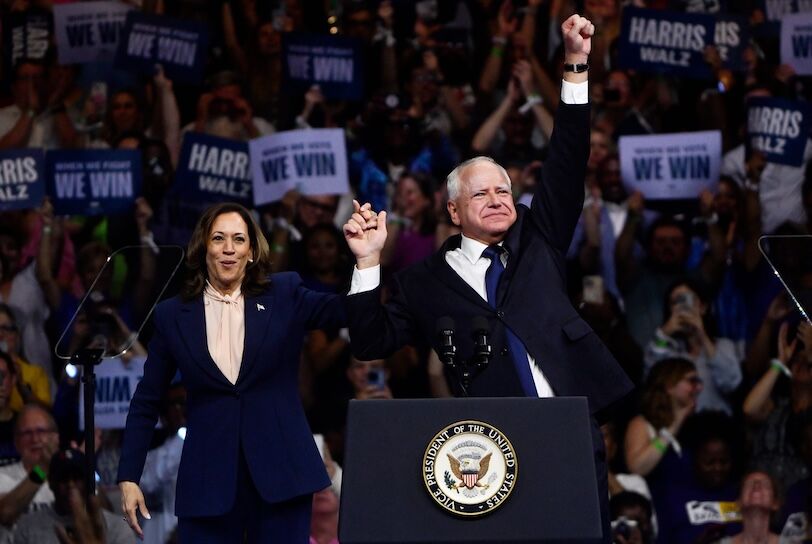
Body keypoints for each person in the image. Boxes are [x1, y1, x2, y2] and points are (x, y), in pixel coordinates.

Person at [343, 14, 633, 541]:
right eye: (482, 194)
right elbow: (368, 341)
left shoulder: (538, 237)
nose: (499, 200)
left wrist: (574, 64)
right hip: (493, 446)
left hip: (569, 425)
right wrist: (367, 264)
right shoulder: (423, 282)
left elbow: (568, 154)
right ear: (454, 211)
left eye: (503, 191)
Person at [117, 202, 346, 542]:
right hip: (208, 483)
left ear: (251, 250)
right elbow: (147, 400)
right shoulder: (171, 315)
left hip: (282, 477)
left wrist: (368, 261)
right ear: (203, 247)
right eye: (218, 238)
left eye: (238, 239)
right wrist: (129, 476)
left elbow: (347, 312)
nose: (228, 248)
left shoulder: (284, 293)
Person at [12, 448, 134, 544]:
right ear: (51, 483)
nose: (71, 485)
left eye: (77, 478)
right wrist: (40, 469)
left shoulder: (117, 528)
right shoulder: (28, 526)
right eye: (63, 478)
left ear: (88, 482)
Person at [0, 404, 60, 527]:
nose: (35, 439)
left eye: (41, 431)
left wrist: (89, 472)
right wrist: (42, 468)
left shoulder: (70, 477)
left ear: (56, 438)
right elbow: (4, 514)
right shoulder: (2, 476)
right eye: (27, 433)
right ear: (16, 442)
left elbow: (106, 512)